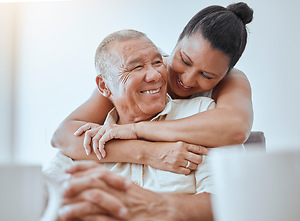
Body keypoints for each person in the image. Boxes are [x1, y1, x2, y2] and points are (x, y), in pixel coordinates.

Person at [51, 2, 254, 169]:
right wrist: (148, 152)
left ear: (224, 74)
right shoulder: (140, 75)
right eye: (184, 60)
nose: (188, 79)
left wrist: (136, 129)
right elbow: (63, 135)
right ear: (178, 40)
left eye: (206, 75)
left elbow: (235, 129)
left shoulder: (232, 80)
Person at [54, 28, 217, 221]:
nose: (154, 74)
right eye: (136, 67)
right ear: (104, 86)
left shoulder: (201, 113)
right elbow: (42, 199)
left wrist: (156, 207)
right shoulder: (85, 137)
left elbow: (228, 201)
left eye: (158, 63)